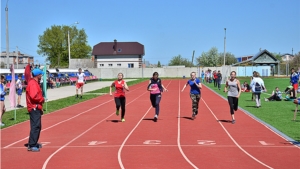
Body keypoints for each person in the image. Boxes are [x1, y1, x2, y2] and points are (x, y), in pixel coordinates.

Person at [26, 69, 45, 152]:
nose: (42, 76)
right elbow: (34, 96)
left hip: (36, 107)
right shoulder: (33, 84)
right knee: (35, 126)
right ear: (38, 75)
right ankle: (32, 144)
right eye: (41, 74)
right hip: (34, 107)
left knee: (38, 126)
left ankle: (34, 142)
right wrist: (42, 99)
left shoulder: (35, 83)